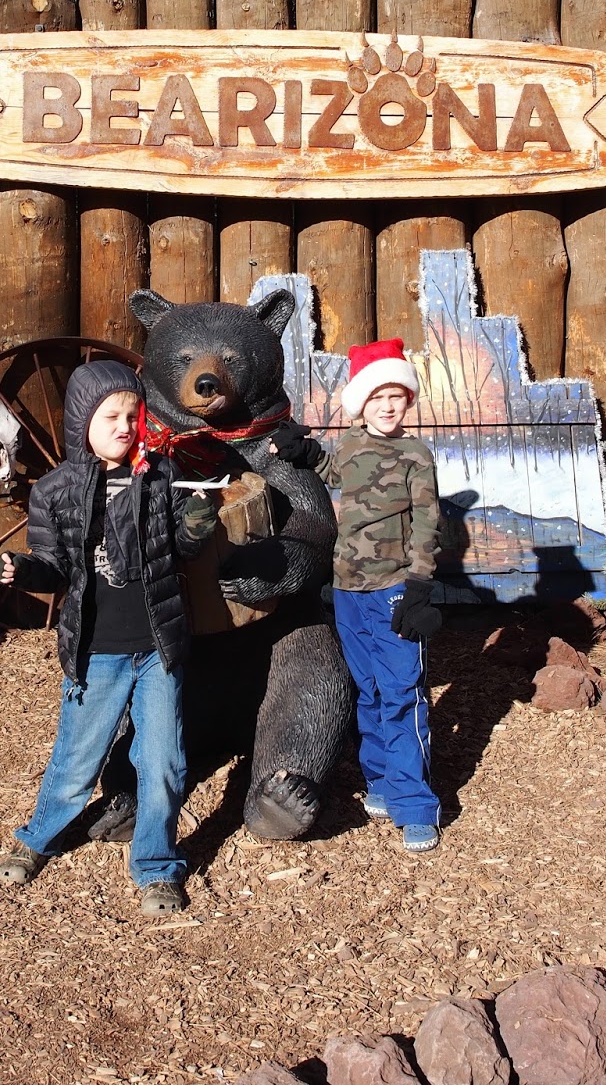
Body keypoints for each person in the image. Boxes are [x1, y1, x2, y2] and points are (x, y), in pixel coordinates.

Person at [0, 360, 216, 914]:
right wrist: (24, 571)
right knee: (77, 756)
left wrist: (194, 527)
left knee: (164, 759)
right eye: (111, 415)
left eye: (133, 415)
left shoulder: (159, 476)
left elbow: (181, 553)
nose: (125, 425)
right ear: (81, 422)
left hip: (157, 645)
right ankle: (37, 838)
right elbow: (53, 563)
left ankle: (157, 865)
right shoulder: (56, 491)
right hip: (96, 649)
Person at [271, 337, 445, 852]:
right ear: (361, 403)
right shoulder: (349, 444)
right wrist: (305, 453)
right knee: (367, 691)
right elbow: (334, 473)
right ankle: (382, 782)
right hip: (348, 590)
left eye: (397, 396)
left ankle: (415, 804)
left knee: (402, 693)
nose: (388, 406)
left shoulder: (415, 454)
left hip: (394, 589)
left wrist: (419, 587)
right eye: (378, 398)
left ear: (408, 400)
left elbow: (427, 523)